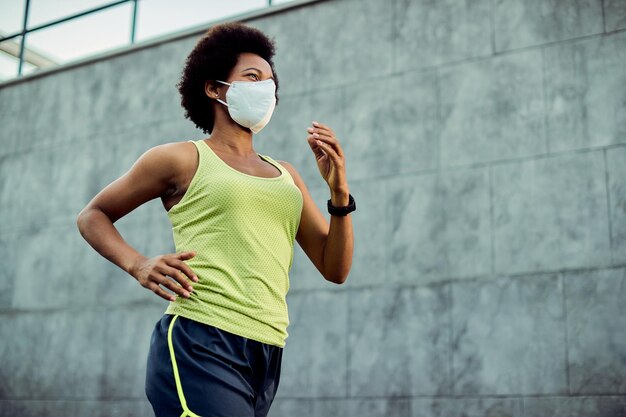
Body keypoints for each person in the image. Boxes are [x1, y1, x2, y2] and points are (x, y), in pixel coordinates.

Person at [76, 21, 354, 417]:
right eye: (252, 77)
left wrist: (339, 194)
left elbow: (335, 267)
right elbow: (93, 215)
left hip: (266, 349)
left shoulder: (287, 175)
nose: (266, 90)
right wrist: (139, 264)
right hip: (200, 340)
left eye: (270, 83)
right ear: (214, 88)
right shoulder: (181, 158)